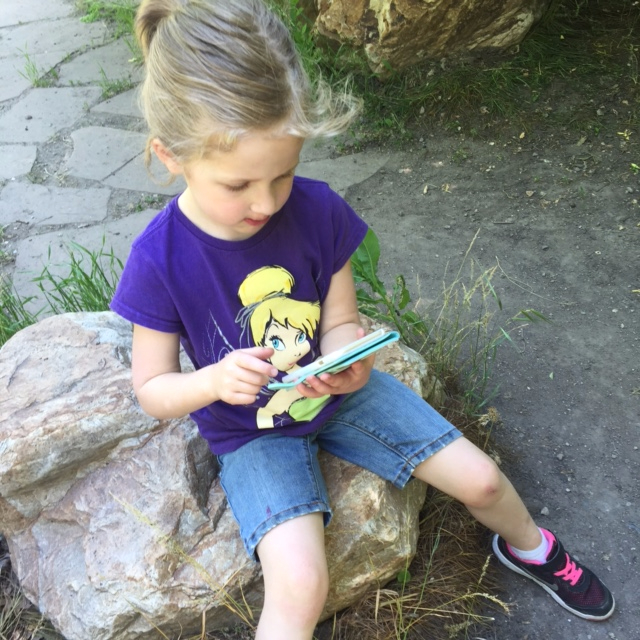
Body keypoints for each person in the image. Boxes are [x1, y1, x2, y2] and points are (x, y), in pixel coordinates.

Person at [109, 0, 615, 637]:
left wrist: (349, 361)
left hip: (341, 397)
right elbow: (153, 391)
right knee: (300, 585)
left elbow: (340, 322)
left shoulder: (318, 210)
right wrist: (212, 382)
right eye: (238, 185)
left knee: (484, 481)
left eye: (284, 174)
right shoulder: (158, 258)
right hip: (252, 433)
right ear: (170, 155)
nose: (266, 203)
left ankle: (532, 548)